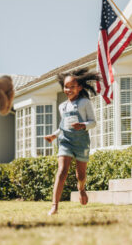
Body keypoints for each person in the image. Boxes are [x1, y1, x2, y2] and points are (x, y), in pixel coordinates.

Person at [44, 69, 99, 215]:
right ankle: (54, 206)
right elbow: (63, 126)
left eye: (72, 86)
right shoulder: (62, 106)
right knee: (62, 170)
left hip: (81, 142)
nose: (68, 90)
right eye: (66, 86)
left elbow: (93, 122)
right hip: (66, 141)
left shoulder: (84, 102)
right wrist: (54, 135)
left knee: (80, 176)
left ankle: (81, 189)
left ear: (79, 87)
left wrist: (83, 125)